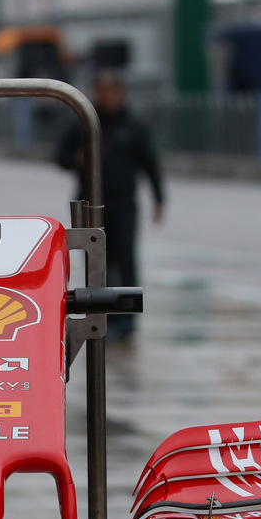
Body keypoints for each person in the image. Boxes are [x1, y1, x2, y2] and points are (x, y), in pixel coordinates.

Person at [55, 71, 164, 340]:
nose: (106, 97)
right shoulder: (84, 123)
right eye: (101, 91)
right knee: (96, 264)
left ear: (121, 93)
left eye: (111, 91)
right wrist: (75, 160)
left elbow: (151, 164)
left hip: (123, 204)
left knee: (125, 260)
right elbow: (59, 156)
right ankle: (99, 316)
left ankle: (126, 319)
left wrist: (159, 199)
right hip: (90, 204)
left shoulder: (134, 126)